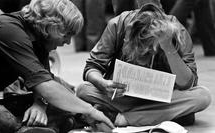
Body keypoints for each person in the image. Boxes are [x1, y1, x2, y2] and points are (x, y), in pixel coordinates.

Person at [0, 0, 114, 133]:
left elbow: (45, 84)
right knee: (0, 117)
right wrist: (90, 111)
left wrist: (39, 104)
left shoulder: (39, 39)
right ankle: (38, 128)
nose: (68, 42)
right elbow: (46, 88)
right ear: (51, 26)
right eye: (67, 34)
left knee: (62, 102)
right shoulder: (9, 31)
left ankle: (34, 128)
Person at [76, 2, 211, 127]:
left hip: (163, 99)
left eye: (148, 53)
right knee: (83, 90)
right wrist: (103, 84)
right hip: (123, 96)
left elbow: (188, 84)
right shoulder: (117, 25)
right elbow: (92, 67)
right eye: (138, 52)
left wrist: (168, 47)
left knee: (202, 96)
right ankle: (158, 115)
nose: (143, 59)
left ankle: (122, 118)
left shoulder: (177, 31)